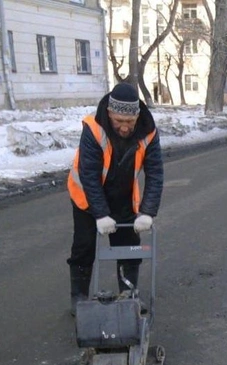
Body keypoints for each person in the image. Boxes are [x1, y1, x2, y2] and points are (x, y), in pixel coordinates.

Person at [66, 82, 164, 315]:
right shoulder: (93, 127)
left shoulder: (148, 131)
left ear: (137, 116)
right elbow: (88, 175)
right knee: (84, 247)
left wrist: (148, 212)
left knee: (129, 247)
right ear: (110, 113)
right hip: (86, 198)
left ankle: (128, 294)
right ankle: (79, 298)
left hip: (123, 197)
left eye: (129, 122)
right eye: (118, 121)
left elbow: (155, 172)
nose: (123, 127)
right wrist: (100, 214)